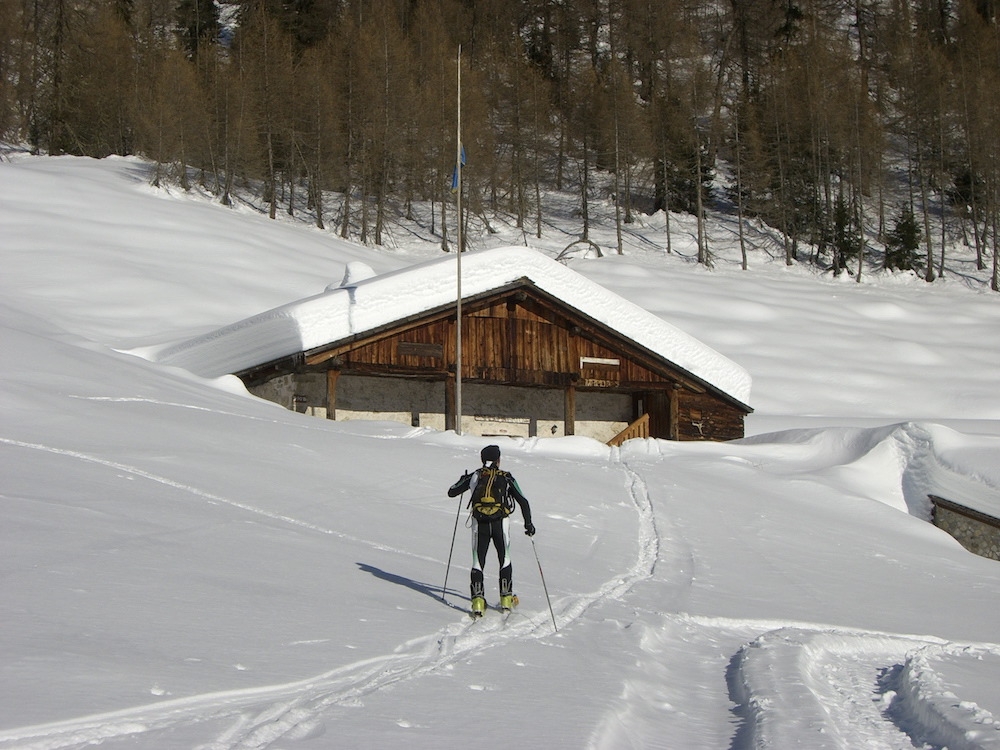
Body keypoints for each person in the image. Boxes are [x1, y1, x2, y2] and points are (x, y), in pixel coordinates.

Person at [448, 444, 535, 616]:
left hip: (478, 523)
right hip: (500, 522)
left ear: (482, 459)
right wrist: (529, 525)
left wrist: (462, 479)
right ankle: (506, 599)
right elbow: (523, 501)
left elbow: (452, 492)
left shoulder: (475, 475)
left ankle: (478, 602)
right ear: (498, 460)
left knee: (477, 560)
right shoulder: (506, 476)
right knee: (505, 558)